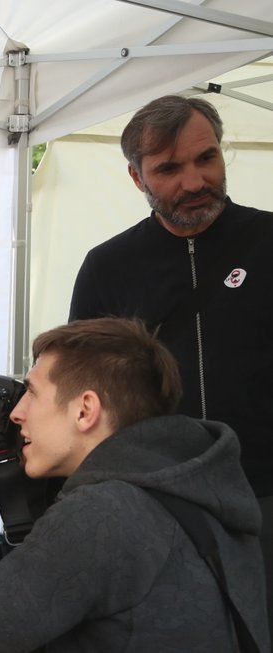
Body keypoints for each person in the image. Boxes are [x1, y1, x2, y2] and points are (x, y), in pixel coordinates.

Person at [0, 317, 268, 652]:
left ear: (85, 410)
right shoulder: (198, 491)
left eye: (32, 392)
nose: (16, 412)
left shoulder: (104, 514)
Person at [68, 93, 273, 633]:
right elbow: (80, 397)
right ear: (137, 178)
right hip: (159, 511)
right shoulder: (106, 267)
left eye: (207, 158)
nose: (194, 181)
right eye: (169, 169)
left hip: (267, 497)